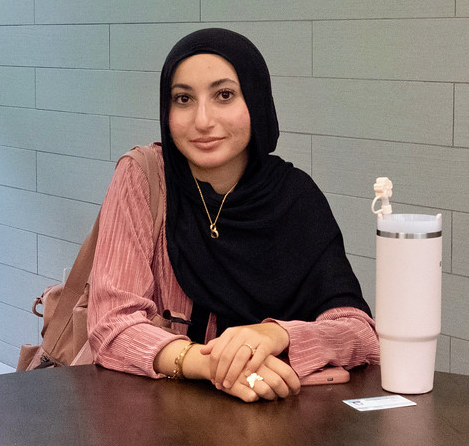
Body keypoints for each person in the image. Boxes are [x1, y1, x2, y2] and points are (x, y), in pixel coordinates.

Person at [87, 28, 377, 399]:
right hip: (157, 426)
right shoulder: (144, 178)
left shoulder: (294, 196)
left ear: (255, 100)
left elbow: (359, 334)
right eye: (183, 99)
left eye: (224, 95)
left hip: (280, 430)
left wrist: (276, 334)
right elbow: (112, 324)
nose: (203, 120)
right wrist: (213, 364)